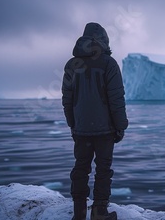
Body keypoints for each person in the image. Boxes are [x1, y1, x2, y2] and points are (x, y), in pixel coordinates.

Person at [62, 22, 128, 220]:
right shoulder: (109, 63)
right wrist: (120, 126)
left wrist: (73, 123)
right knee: (103, 170)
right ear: (103, 39)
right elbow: (116, 98)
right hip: (105, 130)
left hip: (81, 129)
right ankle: (99, 212)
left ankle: (79, 214)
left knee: (80, 168)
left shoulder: (71, 65)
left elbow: (67, 99)